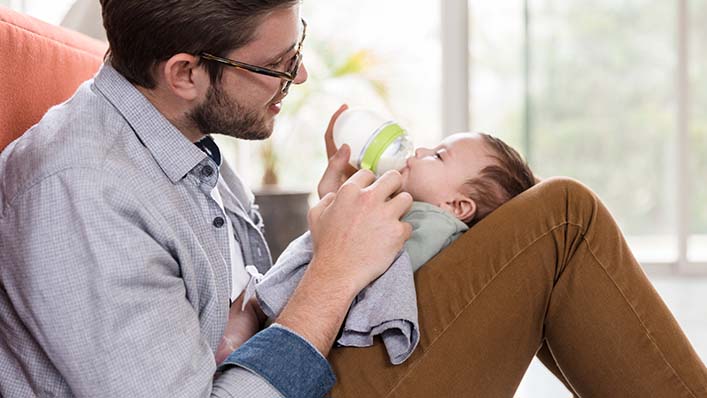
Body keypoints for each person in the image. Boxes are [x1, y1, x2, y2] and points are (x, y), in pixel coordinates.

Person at [0, 1, 704, 398]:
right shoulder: (80, 192)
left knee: (553, 218)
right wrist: (334, 271)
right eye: (275, 65)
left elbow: (239, 319)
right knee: (561, 217)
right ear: (184, 73)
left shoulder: (172, 137)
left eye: (295, 45)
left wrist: (322, 238)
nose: (300, 74)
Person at [214, 130, 537, 364]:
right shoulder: (410, 211)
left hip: (342, 336)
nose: (421, 149)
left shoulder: (437, 226)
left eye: (438, 155)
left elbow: (388, 269)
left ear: (457, 206)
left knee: (251, 312)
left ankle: (242, 338)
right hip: (310, 317)